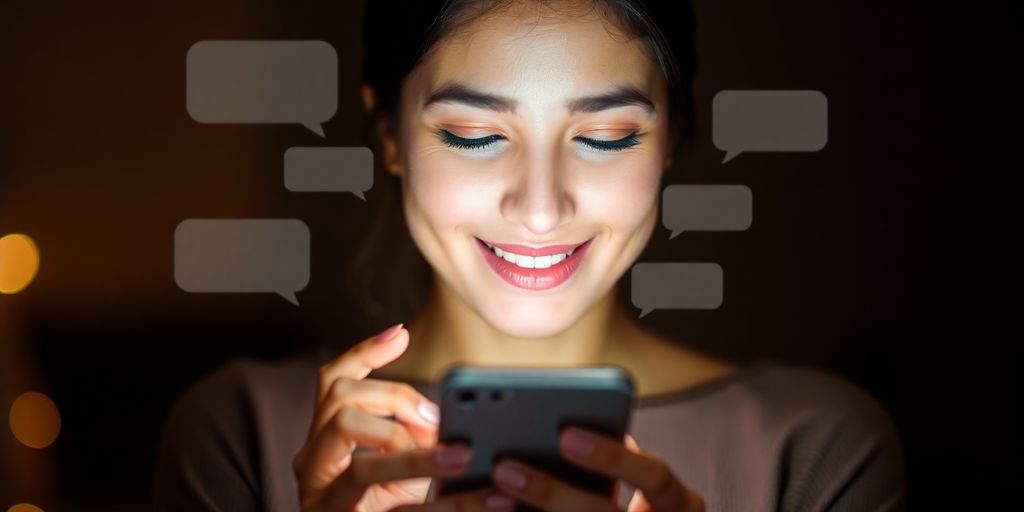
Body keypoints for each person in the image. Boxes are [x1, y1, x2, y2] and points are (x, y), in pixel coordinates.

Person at [154, 1, 908, 510]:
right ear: (387, 132)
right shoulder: (241, 433)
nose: (541, 209)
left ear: (674, 136)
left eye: (605, 137)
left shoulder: (813, 451)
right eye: (475, 136)